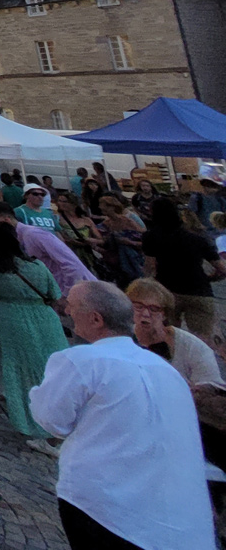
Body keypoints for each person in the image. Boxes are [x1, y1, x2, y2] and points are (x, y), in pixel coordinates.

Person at [30, 281, 214, 550]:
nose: (67, 311)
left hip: (108, 512)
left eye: (71, 306)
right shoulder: (167, 372)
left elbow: (52, 420)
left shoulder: (81, 360)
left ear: (95, 319)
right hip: (183, 524)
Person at [0, 221, 67, 453]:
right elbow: (54, 293)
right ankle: (62, 424)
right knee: (53, 369)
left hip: (14, 317)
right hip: (45, 317)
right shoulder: (37, 265)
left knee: (23, 370)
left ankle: (35, 425)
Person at [141, 196, 226, 336]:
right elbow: (222, 268)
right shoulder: (197, 239)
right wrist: (210, 278)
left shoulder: (150, 237)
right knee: (203, 337)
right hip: (199, 290)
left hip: (167, 291)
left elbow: (150, 267)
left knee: (169, 334)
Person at [0, 202, 94, 298]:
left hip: (77, 294)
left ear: (7, 219)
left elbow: (71, 264)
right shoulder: (13, 239)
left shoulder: (34, 235)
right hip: (57, 294)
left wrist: (66, 294)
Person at [126, 278, 223, 386]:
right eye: (138, 307)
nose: (145, 314)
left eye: (154, 309)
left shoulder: (191, 346)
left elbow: (213, 387)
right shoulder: (121, 338)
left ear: (165, 314)